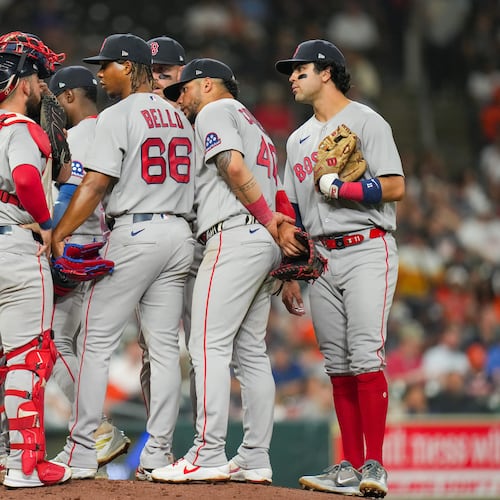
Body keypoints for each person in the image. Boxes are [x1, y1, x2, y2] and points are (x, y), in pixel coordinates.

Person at [50, 33, 195, 479]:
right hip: (178, 233)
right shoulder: (179, 115)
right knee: (165, 349)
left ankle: (80, 448)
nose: (100, 73)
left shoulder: (117, 114)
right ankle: (158, 454)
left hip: (135, 229)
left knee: (93, 341)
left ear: (130, 67)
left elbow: (94, 185)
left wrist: (59, 233)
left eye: (107, 64)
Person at [150, 58, 296, 485]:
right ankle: (254, 456)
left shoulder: (215, 111)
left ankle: (208, 451)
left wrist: (267, 219)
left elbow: (233, 167)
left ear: (208, 84)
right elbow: (280, 190)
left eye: (187, 90)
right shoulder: (256, 126)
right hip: (262, 244)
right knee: (250, 352)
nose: (184, 99)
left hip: (237, 233)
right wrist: (276, 237)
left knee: (206, 345)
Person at [274, 39, 405, 498]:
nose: (291, 77)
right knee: (338, 364)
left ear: (327, 71)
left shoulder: (368, 121)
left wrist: (343, 189)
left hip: (368, 246)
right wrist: (290, 270)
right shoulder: (297, 139)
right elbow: (291, 208)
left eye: (300, 69)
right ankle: (349, 466)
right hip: (321, 257)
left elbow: (394, 186)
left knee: (366, 354)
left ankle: (376, 465)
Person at [48, 65, 131, 469]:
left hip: (74, 245)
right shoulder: (116, 127)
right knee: (82, 347)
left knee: (52, 342)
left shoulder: (79, 135)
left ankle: (97, 427)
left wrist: (52, 235)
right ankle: (93, 434)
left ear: (68, 97)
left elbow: (71, 191)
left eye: (54, 101)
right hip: (106, 244)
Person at [0, 30, 72, 488]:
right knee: (28, 355)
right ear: (23, 81)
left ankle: (8, 455)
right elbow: (26, 178)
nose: (45, 87)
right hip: (14, 248)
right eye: (41, 78)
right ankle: (25, 465)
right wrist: (47, 223)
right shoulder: (20, 127)